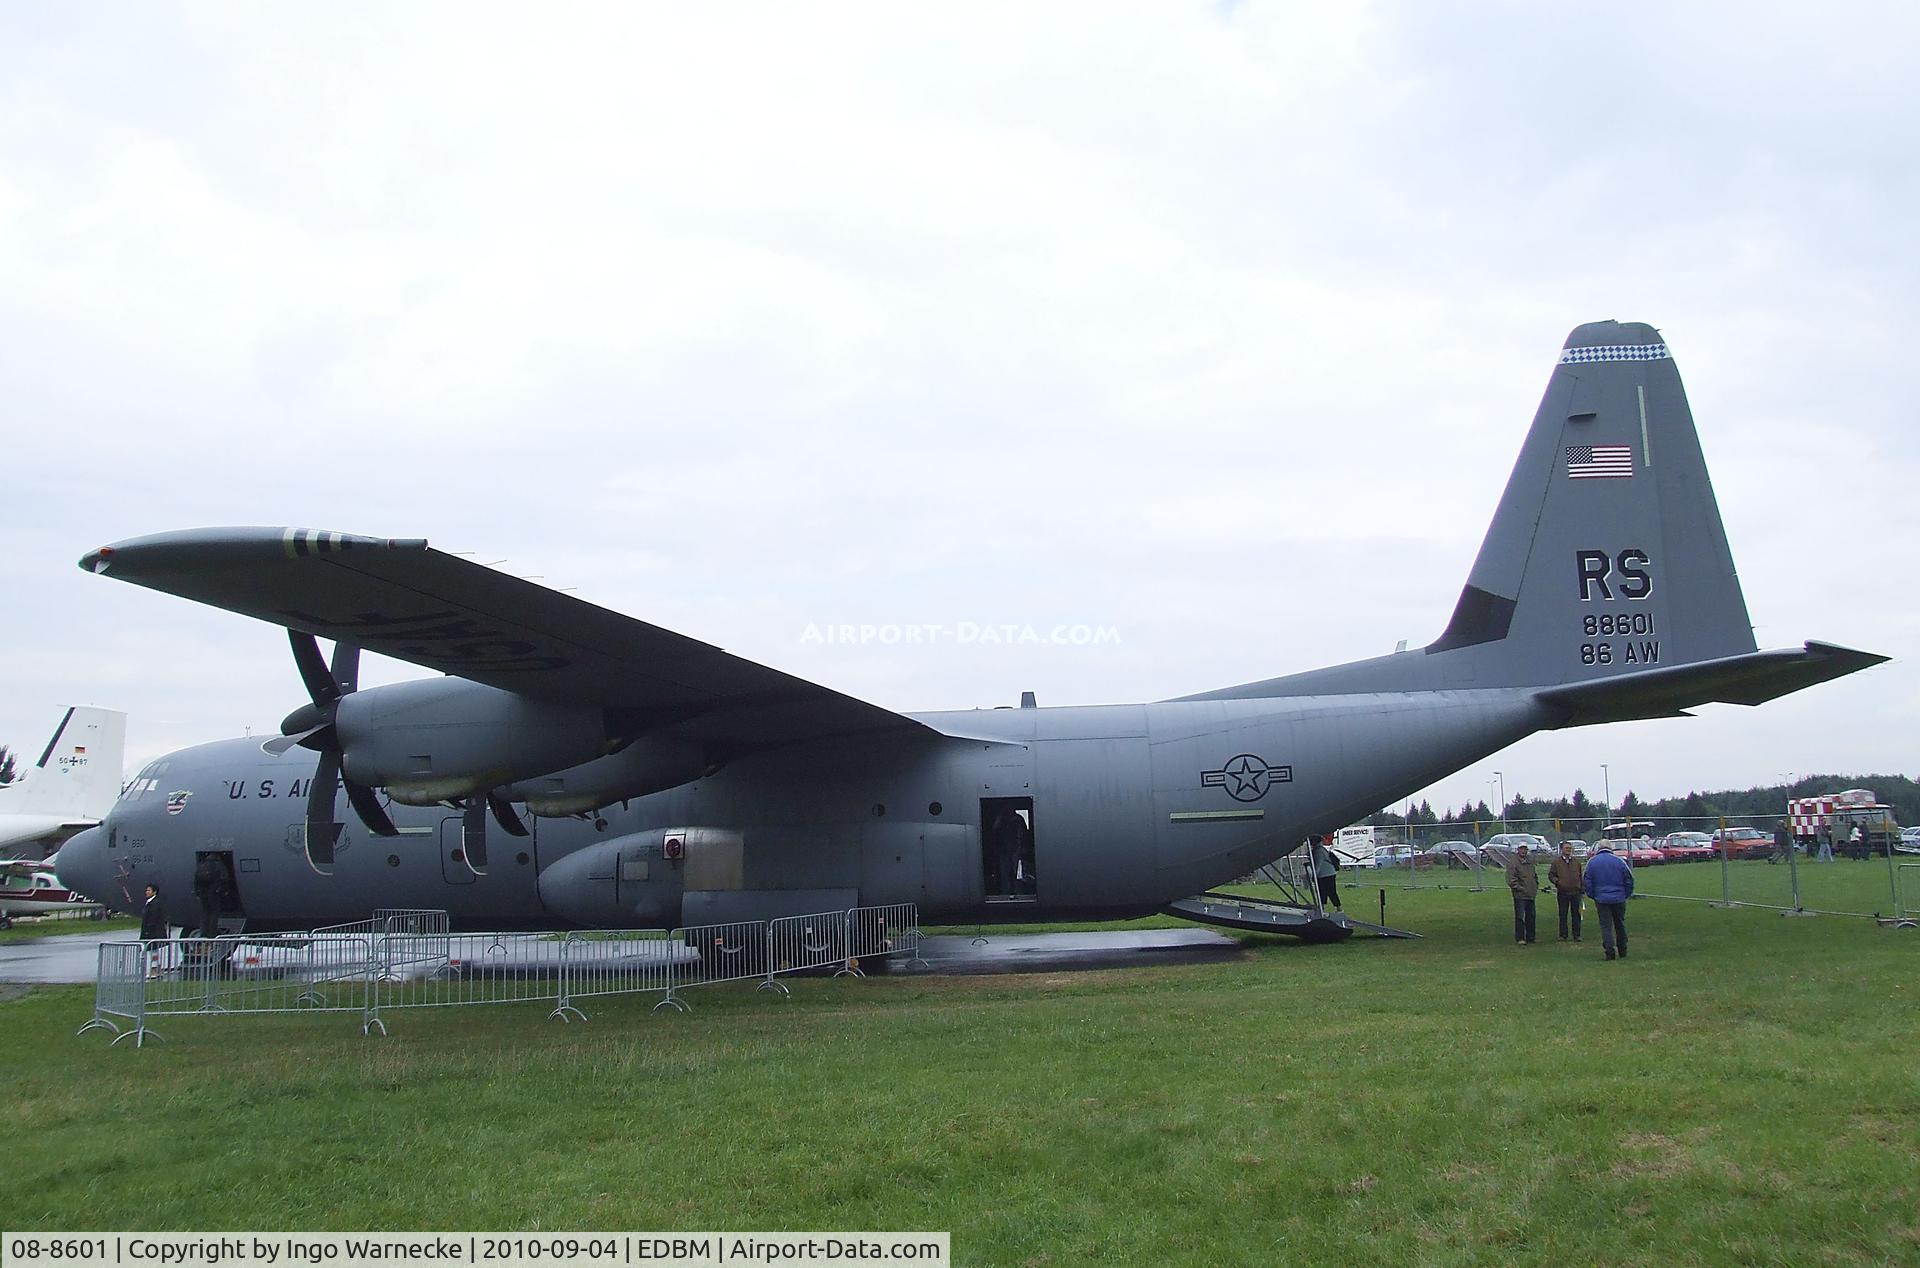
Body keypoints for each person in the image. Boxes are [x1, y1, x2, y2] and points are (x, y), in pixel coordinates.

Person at [1583, 841, 1635, 960]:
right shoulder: (1619, 861)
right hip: (1619, 897)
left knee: (1606, 925)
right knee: (1620, 923)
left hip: (1601, 898)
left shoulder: (1592, 862)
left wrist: (1592, 895)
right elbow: (1629, 879)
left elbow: (1587, 881)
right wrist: (1625, 894)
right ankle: (1623, 949)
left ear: (1599, 848)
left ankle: (1609, 950)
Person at [1547, 841, 1583, 942]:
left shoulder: (1576, 862)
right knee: (1563, 914)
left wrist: (1581, 887)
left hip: (1575, 892)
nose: (1568, 850)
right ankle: (1563, 935)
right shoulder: (1556, 862)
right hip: (1563, 892)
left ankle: (1577, 935)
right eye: (1566, 848)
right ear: (1562, 849)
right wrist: (1558, 882)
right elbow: (1551, 875)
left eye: (1570, 848)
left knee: (1576, 914)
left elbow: (1580, 875)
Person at [1504, 843, 1538, 944]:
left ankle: (1531, 937)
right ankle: (1520, 938)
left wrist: (1535, 885)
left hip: (1531, 894)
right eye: (1522, 849)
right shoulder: (1513, 863)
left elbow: (1534, 875)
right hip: (1520, 895)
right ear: (1517, 850)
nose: (1524, 851)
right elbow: (1511, 879)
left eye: (1525, 849)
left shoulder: (1529, 862)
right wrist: (1520, 889)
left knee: (1531, 916)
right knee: (1520, 917)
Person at [139, 883, 171, 977]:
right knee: (153, 951)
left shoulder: (154, 903)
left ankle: (154, 969)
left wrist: (148, 930)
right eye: (146, 890)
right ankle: (156, 968)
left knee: (153, 951)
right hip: (151, 931)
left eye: (149, 890)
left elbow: (153, 918)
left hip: (153, 932)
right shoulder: (150, 903)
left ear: (154, 892)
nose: (146, 892)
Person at [1310, 836, 1342, 911]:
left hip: (1325, 874)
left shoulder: (1319, 851)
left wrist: (1314, 875)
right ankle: (1325, 907)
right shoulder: (1321, 849)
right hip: (1328, 873)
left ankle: (1337, 908)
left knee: (1328, 891)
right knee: (1326, 891)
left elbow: (1318, 864)